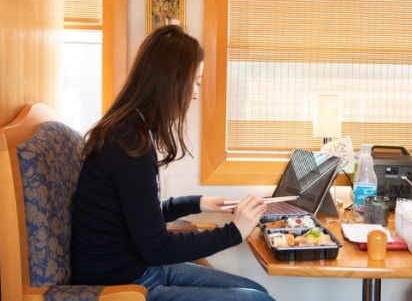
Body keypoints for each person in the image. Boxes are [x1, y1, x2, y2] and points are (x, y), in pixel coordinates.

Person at [71, 25, 275, 301]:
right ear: (172, 81)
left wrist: (198, 203)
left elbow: (143, 217)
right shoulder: (128, 144)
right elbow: (157, 246)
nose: (195, 94)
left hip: (143, 268)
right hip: (124, 286)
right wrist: (235, 231)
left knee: (257, 291)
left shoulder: (136, 131)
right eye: (196, 82)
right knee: (257, 299)